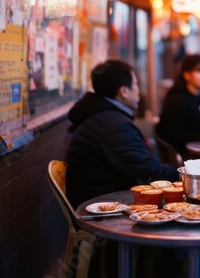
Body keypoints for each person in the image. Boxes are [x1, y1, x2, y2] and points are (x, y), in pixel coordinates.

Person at [65, 59, 179, 208]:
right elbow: (148, 174)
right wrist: (184, 174)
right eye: (136, 84)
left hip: (105, 199)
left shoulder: (105, 116)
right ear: (124, 91)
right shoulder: (113, 126)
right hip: (102, 211)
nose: (139, 90)